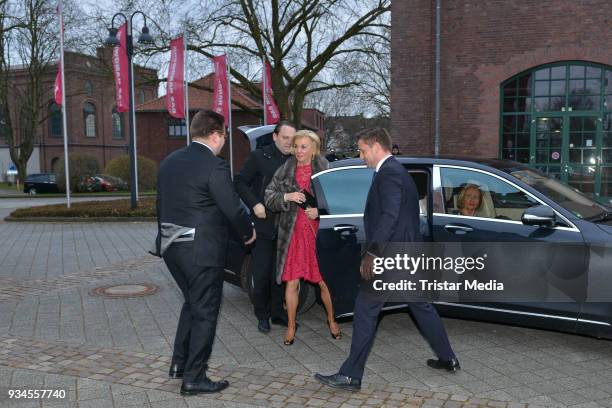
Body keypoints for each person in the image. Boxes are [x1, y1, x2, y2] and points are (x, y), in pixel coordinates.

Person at [314, 128, 458, 391]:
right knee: (421, 305)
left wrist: (373, 252)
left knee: (366, 310)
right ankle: (448, 358)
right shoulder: (396, 171)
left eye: (363, 150)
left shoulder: (390, 174)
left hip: (391, 256)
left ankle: (351, 374)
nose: (361, 156)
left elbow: (390, 216)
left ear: (377, 146)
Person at [154, 110, 256, 395]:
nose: (224, 140)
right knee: (206, 311)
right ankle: (194, 378)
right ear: (214, 134)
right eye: (224, 135)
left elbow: (160, 205)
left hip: (172, 248)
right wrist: (248, 232)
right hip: (201, 250)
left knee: (192, 303)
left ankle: (179, 364)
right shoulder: (215, 166)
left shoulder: (169, 162)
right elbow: (231, 206)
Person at [264, 130, 342, 345]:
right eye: (296, 146)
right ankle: (290, 327)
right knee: (291, 283)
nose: (298, 151)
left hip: (318, 232)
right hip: (292, 235)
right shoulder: (285, 170)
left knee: (324, 283)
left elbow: (339, 198)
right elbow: (269, 196)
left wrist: (320, 210)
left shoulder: (325, 168)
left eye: (303, 146)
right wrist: (286, 196)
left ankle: (331, 320)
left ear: (314, 149)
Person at [234, 121, 296, 333]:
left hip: (287, 227)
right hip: (262, 225)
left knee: (280, 275)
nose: (289, 142)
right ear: (275, 137)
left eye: (292, 139)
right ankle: (262, 315)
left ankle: (278, 313)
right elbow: (240, 182)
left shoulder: (297, 160)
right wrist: (255, 203)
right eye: (285, 137)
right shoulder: (258, 157)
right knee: (261, 274)